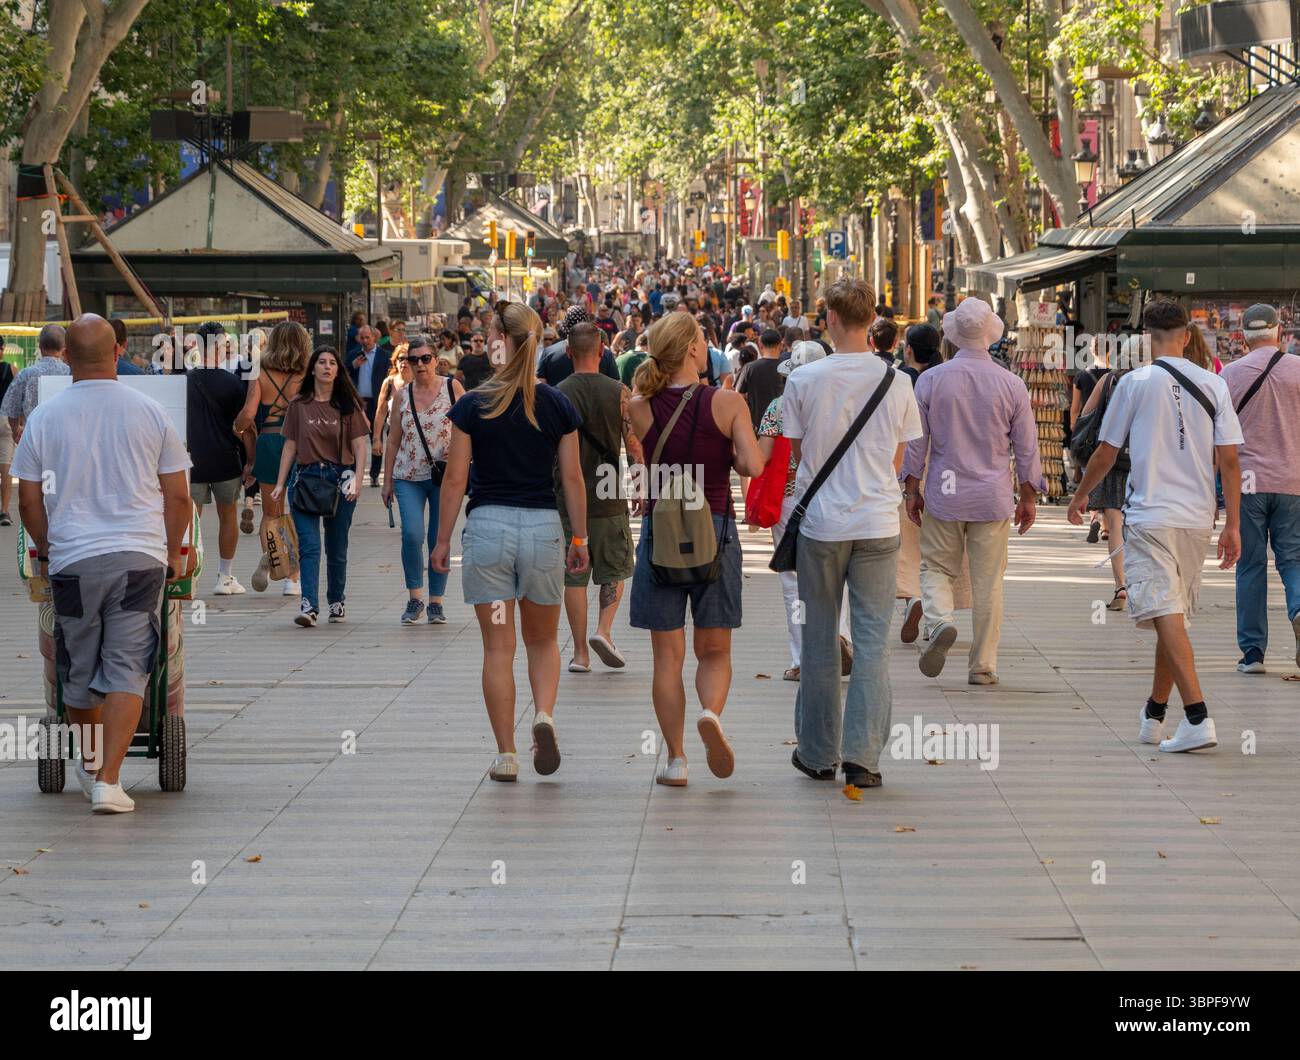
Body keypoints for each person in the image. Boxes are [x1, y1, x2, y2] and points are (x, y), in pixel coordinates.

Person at [13, 314, 192, 814]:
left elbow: (28, 501)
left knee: (77, 668)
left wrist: (48, 550)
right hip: (140, 559)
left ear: (64, 356)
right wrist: (174, 553)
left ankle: (93, 767)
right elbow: (178, 497)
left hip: (73, 563)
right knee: (129, 667)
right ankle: (108, 782)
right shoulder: (151, 410)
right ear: (119, 353)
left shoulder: (45, 418)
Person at [1069, 299, 1242, 753]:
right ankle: (1154, 713)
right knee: (1173, 615)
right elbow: (1229, 459)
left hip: (1148, 514)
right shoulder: (1215, 384)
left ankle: (1198, 716)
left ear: (1145, 339)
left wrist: (1082, 494)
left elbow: (1106, 452)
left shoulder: (1134, 382)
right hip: (1198, 518)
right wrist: (1234, 526)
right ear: (1187, 335)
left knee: (1167, 613)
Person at [431, 300, 589, 783]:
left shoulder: (472, 404)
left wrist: (441, 543)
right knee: (542, 641)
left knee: (498, 649)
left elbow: (455, 480)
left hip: (489, 535)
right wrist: (579, 537)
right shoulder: (558, 404)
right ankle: (543, 713)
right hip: (542, 532)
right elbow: (573, 478)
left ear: (502, 342)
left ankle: (506, 753)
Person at [780, 280, 923, 788]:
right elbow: (899, 458)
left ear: (831, 319)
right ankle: (863, 758)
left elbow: (796, 455)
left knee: (819, 638)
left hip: (821, 524)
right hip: (879, 523)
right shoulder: (898, 382)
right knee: (872, 640)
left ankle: (818, 753)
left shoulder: (804, 379)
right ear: (871, 321)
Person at [626, 311, 764, 787]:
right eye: (702, 340)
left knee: (667, 657)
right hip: (716, 532)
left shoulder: (638, 405)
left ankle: (676, 760)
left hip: (661, 534)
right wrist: (761, 436)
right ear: (690, 349)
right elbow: (752, 467)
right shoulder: (727, 403)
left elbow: (639, 472)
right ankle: (711, 713)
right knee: (714, 650)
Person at [902, 296, 1044, 685]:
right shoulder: (1012, 384)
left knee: (935, 567)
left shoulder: (931, 380)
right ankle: (982, 666)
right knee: (988, 582)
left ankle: (942, 620)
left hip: (944, 494)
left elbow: (917, 443)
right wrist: (1029, 495)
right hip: (992, 496)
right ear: (990, 334)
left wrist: (911, 490)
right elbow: (1026, 446)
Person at [758, 340, 855, 681]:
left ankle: (802, 658)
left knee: (793, 580)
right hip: (835, 493)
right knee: (837, 572)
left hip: (789, 500)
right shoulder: (842, 402)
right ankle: (841, 638)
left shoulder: (778, 406)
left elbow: (761, 458)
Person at [556, 323, 643, 672]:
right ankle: (604, 631)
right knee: (615, 566)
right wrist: (640, 483)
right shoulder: (619, 391)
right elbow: (633, 443)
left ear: (568, 353)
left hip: (565, 496)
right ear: (604, 350)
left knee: (573, 575)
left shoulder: (557, 394)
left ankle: (579, 653)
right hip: (608, 493)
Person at [1219, 303, 1300, 673]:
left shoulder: (1230, 375)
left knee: (1249, 565)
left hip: (1246, 482)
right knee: (1293, 559)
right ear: (1280, 332)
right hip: (1293, 482)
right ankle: (1299, 608)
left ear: (1242, 336)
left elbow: (1218, 439)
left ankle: (1253, 654)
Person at [272, 346, 370, 627]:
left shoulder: (346, 404)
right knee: (310, 545)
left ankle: (336, 601)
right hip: (305, 479)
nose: (327, 367)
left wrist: (359, 479)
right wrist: (280, 483)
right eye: (321, 362)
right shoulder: (298, 404)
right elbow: (290, 444)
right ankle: (309, 606)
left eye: (332, 363)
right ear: (312, 368)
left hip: (340, 481)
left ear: (338, 370)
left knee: (337, 546)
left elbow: (359, 445)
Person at [382, 336, 463, 625]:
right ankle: (415, 598)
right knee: (412, 534)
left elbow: (470, 428)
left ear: (436, 359)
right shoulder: (402, 394)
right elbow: (393, 440)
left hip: (445, 477)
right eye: (413, 360)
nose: (420, 365)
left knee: (437, 538)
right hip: (408, 475)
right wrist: (387, 480)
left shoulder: (452, 388)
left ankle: (436, 603)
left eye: (425, 358)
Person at [236, 320, 309, 597]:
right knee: (300, 511)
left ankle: (274, 559)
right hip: (301, 444)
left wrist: (238, 428)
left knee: (271, 513)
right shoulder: (307, 373)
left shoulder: (260, 371)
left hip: (268, 441)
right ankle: (294, 578)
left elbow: (248, 414)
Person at [186, 322, 255, 596]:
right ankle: (224, 578)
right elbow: (245, 427)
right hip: (226, 459)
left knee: (191, 522)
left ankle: (188, 577)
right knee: (228, 517)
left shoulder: (185, 381)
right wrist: (251, 461)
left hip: (192, 462)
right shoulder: (233, 383)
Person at [1077, 338, 1134, 611]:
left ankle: (1121, 586)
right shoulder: (1156, 381)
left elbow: (1085, 417)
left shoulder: (1110, 381)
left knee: (1115, 523)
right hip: (1145, 463)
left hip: (1112, 460)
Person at [3, 324, 69, 442]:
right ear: (64, 347)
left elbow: (12, 411)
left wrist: (16, 430)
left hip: (33, 439)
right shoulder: (72, 373)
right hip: (66, 438)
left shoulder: (26, 374)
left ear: (40, 345)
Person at [347, 325, 390, 486]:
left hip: (376, 401)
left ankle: (374, 474)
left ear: (374, 337)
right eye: (362, 338)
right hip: (357, 402)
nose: (364, 341)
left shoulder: (384, 356)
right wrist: (353, 365)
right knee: (354, 438)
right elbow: (342, 373)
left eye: (367, 337)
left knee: (376, 438)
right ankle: (351, 472)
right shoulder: (354, 355)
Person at [0, 355, 14, 525]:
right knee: (5, 468)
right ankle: (4, 511)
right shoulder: (10, 369)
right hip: (4, 420)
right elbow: (16, 396)